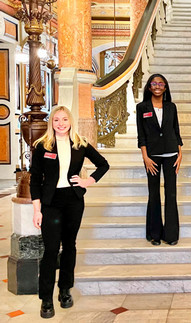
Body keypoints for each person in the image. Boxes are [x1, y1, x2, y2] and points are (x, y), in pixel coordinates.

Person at [30, 106, 109, 319]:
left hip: (73, 201)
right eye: (56, 120)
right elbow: (35, 180)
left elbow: (103, 165)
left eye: (64, 119)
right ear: (51, 123)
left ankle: (65, 291)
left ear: (70, 121)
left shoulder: (80, 143)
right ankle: (46, 298)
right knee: (50, 250)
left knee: (70, 247)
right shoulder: (42, 146)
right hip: (50, 203)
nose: (61, 123)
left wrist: (87, 181)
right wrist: (37, 210)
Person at [136, 73, 183, 246]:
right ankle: (154, 234)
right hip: (152, 156)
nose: (157, 86)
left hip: (171, 154)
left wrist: (180, 154)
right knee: (154, 194)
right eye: (154, 83)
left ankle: (171, 235)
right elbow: (141, 135)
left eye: (161, 84)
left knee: (171, 194)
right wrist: (145, 157)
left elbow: (176, 132)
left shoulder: (171, 107)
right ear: (149, 87)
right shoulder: (142, 107)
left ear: (165, 87)